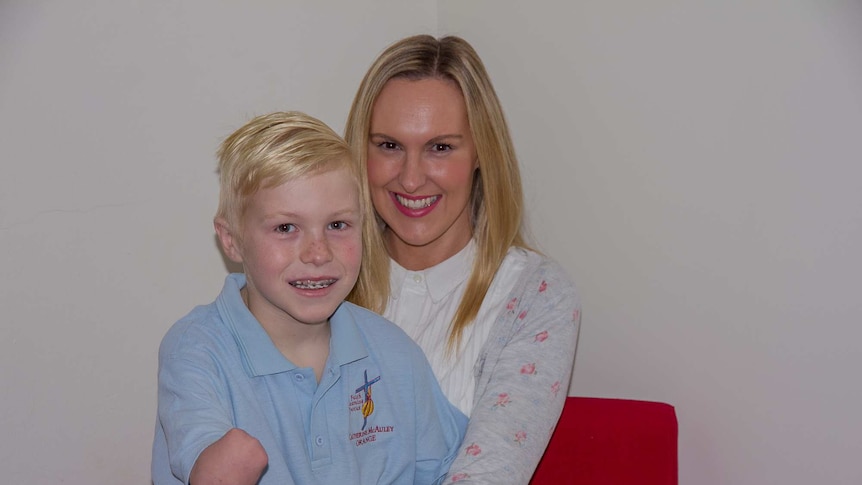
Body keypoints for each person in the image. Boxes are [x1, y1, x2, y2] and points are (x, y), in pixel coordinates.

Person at [151, 111, 467, 485]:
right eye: (286, 228)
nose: (318, 253)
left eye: (337, 225)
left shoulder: (396, 355)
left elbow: (452, 469)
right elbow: (214, 472)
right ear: (231, 238)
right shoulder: (197, 350)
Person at [344, 35, 581, 484]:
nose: (411, 179)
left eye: (440, 147)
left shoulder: (535, 295)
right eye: (389, 146)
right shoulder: (318, 282)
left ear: (480, 154)